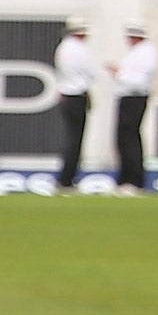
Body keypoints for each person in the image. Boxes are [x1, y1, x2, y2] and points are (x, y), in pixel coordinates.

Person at [111, 21, 157, 194]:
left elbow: (138, 81)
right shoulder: (138, 52)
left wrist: (119, 74)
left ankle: (134, 181)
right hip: (127, 96)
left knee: (130, 139)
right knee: (123, 139)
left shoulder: (147, 52)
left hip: (134, 97)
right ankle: (125, 179)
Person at [53, 15, 97, 191]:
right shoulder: (80, 49)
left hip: (66, 95)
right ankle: (67, 180)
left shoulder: (62, 47)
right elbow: (92, 73)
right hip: (77, 95)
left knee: (70, 137)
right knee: (76, 140)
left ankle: (66, 178)